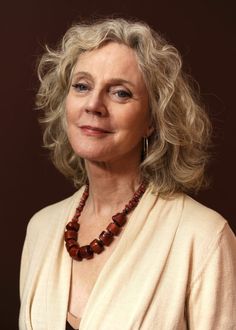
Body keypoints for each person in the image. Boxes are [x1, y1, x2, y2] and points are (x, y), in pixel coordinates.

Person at [19, 18, 236, 330]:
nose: (94, 104)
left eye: (120, 93)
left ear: (152, 119)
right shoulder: (41, 229)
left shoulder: (203, 237)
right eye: (81, 86)